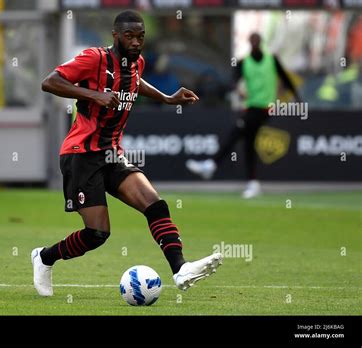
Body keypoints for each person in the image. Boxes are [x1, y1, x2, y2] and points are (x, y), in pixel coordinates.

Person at [33, 10, 223, 297]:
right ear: (115, 36)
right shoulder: (93, 58)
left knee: (155, 204)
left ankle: (180, 269)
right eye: (129, 36)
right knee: (97, 234)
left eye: (141, 37)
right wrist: (94, 95)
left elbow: (135, 83)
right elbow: (50, 81)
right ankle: (45, 257)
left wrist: (167, 98)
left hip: (111, 153)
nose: (136, 42)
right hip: (81, 154)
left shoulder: (137, 63)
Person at [186, 33, 301, 199]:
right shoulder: (243, 62)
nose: (254, 44)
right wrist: (233, 90)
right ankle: (253, 183)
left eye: (256, 41)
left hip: (265, 108)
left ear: (260, 42)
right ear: (249, 43)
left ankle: (212, 164)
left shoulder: (271, 60)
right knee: (248, 143)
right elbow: (233, 81)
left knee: (237, 131)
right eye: (252, 41)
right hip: (251, 107)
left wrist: (298, 99)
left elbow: (285, 79)